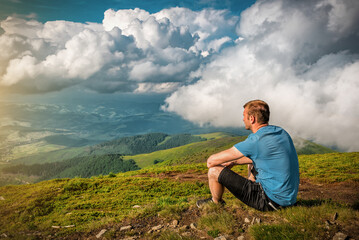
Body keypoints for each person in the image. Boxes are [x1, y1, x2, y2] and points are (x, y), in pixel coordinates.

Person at [196, 100, 299, 211]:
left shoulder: (256, 140)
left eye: (244, 116)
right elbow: (262, 156)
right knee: (252, 161)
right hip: (288, 199)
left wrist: (223, 165)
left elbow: (210, 162)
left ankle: (215, 202)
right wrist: (234, 162)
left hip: (269, 201)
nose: (243, 119)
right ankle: (252, 186)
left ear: (252, 118)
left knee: (214, 170)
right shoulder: (281, 132)